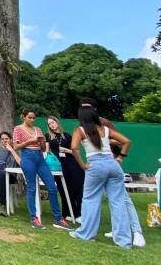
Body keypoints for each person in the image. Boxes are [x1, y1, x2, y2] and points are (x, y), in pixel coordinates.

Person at [80, 99, 146, 247]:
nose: (85, 111)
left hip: (110, 162)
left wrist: (115, 153)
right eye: (82, 108)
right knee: (110, 198)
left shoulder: (104, 123)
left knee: (123, 198)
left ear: (94, 109)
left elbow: (121, 141)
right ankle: (117, 231)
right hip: (97, 167)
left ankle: (137, 232)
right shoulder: (84, 125)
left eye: (87, 108)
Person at [69, 105, 132, 249]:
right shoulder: (106, 129)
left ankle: (86, 234)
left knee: (91, 200)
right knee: (118, 202)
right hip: (112, 164)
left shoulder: (80, 130)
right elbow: (127, 141)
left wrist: (83, 165)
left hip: (95, 165)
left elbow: (74, 148)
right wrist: (120, 158)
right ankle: (124, 241)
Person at [12, 107, 73, 231]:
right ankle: (34, 218)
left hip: (40, 158)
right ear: (23, 117)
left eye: (34, 118)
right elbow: (16, 146)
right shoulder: (18, 129)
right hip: (27, 157)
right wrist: (30, 142)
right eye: (30, 117)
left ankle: (58, 219)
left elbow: (44, 149)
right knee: (32, 188)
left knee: (52, 187)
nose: (32, 120)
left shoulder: (38, 129)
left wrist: (41, 143)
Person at [45, 116, 84, 222]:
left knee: (77, 188)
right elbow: (47, 151)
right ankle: (68, 212)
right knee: (64, 189)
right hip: (58, 165)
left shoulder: (67, 135)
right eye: (49, 123)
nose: (52, 125)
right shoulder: (48, 136)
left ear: (57, 122)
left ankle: (79, 213)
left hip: (72, 163)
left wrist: (65, 150)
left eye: (53, 122)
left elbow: (75, 151)